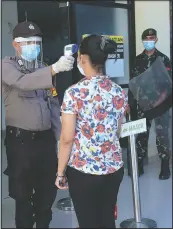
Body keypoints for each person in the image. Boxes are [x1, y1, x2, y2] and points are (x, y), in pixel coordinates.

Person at [1, 21, 74, 228]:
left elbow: (52, 104)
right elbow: (23, 82)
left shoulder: (43, 69)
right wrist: (54, 68)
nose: (35, 45)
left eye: (37, 42)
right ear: (16, 44)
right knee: (22, 195)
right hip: (21, 142)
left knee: (46, 193)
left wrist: (61, 139)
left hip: (44, 142)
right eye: (29, 41)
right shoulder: (7, 66)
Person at [55, 34, 128, 228]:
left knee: (88, 222)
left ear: (83, 59)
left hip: (83, 171)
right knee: (106, 219)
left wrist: (60, 173)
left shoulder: (74, 93)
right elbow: (118, 131)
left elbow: (67, 138)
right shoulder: (118, 91)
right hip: (114, 168)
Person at [129, 28, 172, 180]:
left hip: (160, 104)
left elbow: (168, 84)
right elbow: (133, 83)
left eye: (151, 38)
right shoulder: (137, 60)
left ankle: (165, 165)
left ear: (156, 39)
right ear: (143, 40)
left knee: (162, 136)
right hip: (143, 105)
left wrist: (161, 99)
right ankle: (139, 164)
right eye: (146, 38)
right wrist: (132, 104)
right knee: (141, 135)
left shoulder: (163, 59)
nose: (149, 40)